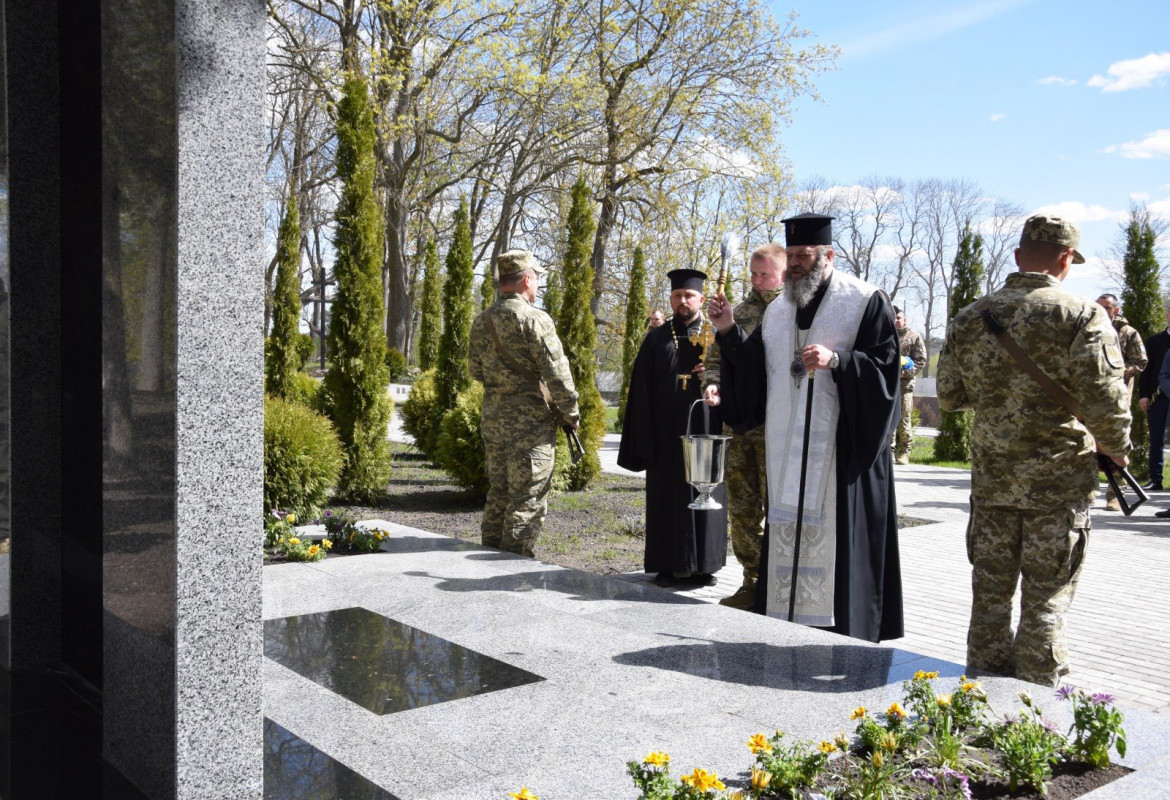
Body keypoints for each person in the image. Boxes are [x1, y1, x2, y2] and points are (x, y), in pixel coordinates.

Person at [936, 214, 1130, 686]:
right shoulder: (1083, 315)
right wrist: (1117, 449)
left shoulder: (971, 316)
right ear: (1066, 258)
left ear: (1019, 256)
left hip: (993, 482)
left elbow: (950, 397)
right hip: (1057, 485)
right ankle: (1034, 705)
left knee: (989, 600)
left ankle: (979, 694)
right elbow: (1106, 400)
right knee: (1046, 599)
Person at [708, 213, 904, 643]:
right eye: (792, 255)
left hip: (840, 451)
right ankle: (786, 618)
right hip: (785, 449)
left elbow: (887, 369)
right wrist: (728, 330)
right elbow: (756, 371)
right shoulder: (779, 310)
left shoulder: (864, 300)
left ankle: (841, 628)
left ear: (828, 255)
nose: (796, 264)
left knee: (833, 539)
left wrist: (839, 361)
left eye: (805, 255)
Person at [619, 269, 728, 587]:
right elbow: (641, 391)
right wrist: (644, 436)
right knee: (668, 496)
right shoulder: (656, 339)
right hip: (666, 433)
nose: (683, 301)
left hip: (705, 427)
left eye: (689, 296)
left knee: (705, 490)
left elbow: (734, 376)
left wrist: (715, 374)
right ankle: (667, 566)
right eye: (677, 296)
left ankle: (704, 566)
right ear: (670, 299)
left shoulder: (715, 336)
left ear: (701, 299)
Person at [468, 250, 580, 557]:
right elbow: (557, 374)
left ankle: (486, 560)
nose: (538, 285)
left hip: (494, 421)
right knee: (527, 498)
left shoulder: (482, 320)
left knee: (499, 494)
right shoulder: (534, 319)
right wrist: (571, 413)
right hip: (530, 427)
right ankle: (513, 566)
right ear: (527, 279)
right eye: (537, 279)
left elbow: (475, 371)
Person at [701, 243, 785, 609]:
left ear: (783, 274)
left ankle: (779, 584)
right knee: (743, 509)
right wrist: (712, 385)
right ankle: (751, 581)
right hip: (738, 428)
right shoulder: (738, 313)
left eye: (765, 274)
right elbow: (715, 360)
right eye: (753, 273)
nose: (757, 280)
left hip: (775, 429)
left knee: (777, 507)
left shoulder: (791, 313)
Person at [1095, 293, 1147, 511]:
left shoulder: (1128, 332)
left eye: (1107, 307)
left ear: (1115, 310)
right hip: (1091, 397)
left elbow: (1140, 361)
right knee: (1087, 443)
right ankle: (1089, 490)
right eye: (1099, 306)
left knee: (1117, 444)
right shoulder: (1089, 327)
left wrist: (1116, 372)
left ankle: (1116, 495)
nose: (1102, 310)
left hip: (1117, 398)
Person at [1137, 307, 1170, 490]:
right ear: (1167, 316)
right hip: (1158, 397)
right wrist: (1144, 395)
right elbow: (1146, 371)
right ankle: (1155, 479)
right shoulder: (1154, 341)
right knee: (1156, 438)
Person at [891, 306, 927, 465]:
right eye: (894, 318)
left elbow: (921, 361)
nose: (896, 321)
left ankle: (903, 452)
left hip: (904, 385)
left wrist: (905, 373)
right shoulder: (886, 335)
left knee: (904, 418)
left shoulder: (914, 337)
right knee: (889, 418)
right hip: (888, 384)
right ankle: (889, 451)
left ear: (905, 320)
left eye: (898, 318)